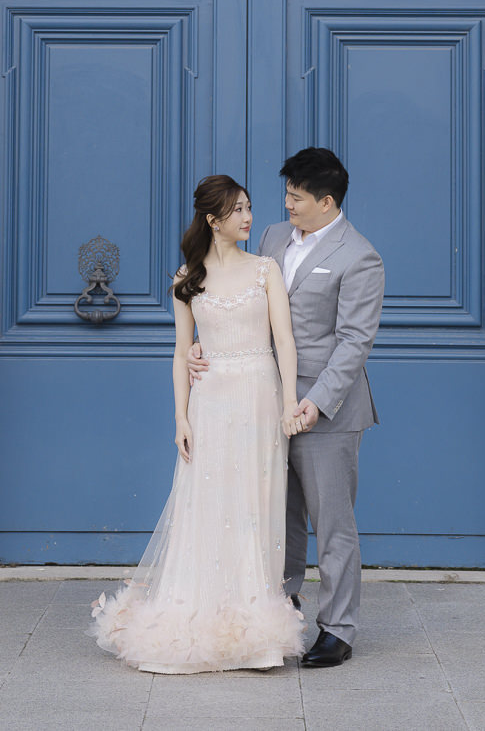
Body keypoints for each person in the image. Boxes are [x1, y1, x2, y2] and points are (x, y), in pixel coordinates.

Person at [92, 174, 307, 674]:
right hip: (211, 402)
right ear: (212, 220)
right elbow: (179, 351)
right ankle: (202, 620)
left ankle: (256, 635)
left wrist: (290, 401)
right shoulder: (186, 279)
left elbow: (285, 341)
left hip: (259, 394)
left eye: (250, 208)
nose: (249, 218)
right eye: (238, 211)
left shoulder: (266, 269)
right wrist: (180, 416)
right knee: (209, 503)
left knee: (256, 505)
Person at [189, 147, 385, 668]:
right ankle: (283, 606)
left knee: (332, 521)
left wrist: (315, 403)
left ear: (326, 201)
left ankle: (338, 628)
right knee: (279, 513)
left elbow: (353, 343)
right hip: (261, 401)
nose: (286, 205)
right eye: (285, 195)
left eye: (296, 197)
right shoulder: (273, 237)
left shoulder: (359, 256)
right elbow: (235, 297)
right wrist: (203, 342)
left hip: (326, 409)